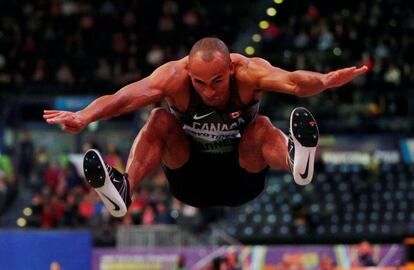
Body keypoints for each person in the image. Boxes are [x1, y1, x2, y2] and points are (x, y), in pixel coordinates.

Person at [43, 37, 367, 217]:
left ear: (230, 67)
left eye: (217, 81)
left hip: (243, 175)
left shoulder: (249, 72)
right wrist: (85, 115)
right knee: (158, 118)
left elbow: (294, 83)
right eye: (199, 82)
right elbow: (125, 97)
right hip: (189, 178)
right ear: (188, 70)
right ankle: (126, 187)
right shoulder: (173, 76)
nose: (209, 91)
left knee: (263, 126)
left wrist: (324, 81)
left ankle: (296, 161)